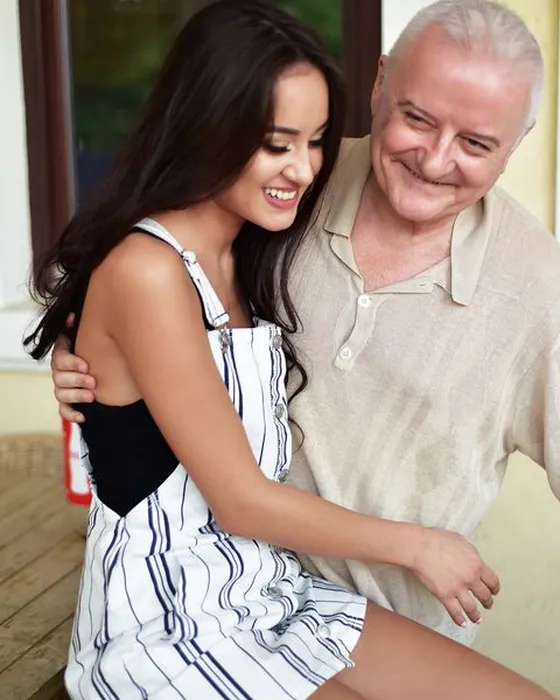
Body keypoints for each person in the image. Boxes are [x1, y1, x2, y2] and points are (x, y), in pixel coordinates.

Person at [41, 1, 555, 698]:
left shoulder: (253, 238)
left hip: (268, 588)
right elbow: (238, 498)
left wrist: (102, 349)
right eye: (277, 143)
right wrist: (419, 545)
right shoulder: (178, 259)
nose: (304, 169)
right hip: (173, 622)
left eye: (314, 141)